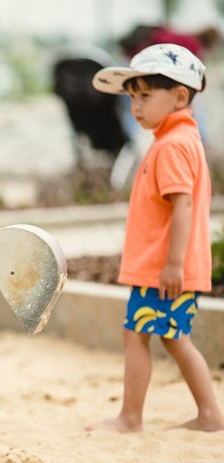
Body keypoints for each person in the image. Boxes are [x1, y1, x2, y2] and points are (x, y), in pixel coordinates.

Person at [86, 43, 224, 433]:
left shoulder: (173, 145)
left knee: (142, 337)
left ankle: (131, 418)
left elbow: (182, 205)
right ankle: (210, 414)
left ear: (180, 96)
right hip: (166, 268)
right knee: (171, 338)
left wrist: (173, 264)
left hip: (163, 270)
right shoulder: (177, 140)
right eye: (133, 97)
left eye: (146, 95)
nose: (136, 106)